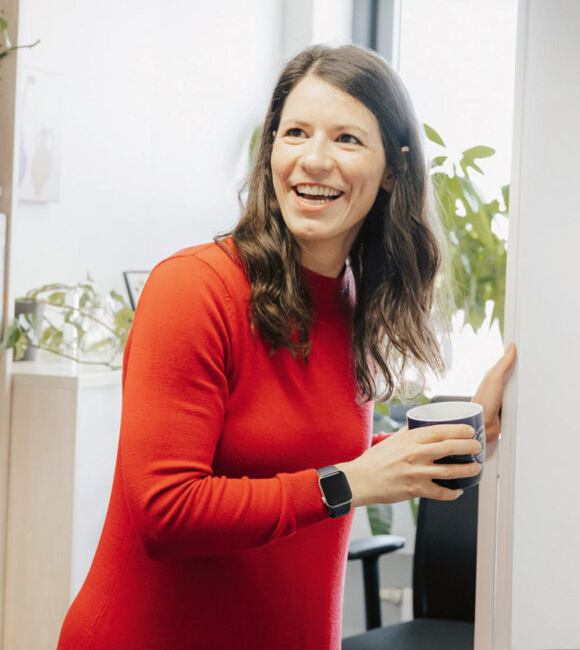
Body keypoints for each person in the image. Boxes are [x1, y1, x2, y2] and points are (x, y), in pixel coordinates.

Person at [57, 44, 516, 649]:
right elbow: (165, 510)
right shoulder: (195, 288)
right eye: (294, 132)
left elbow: (297, 452)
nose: (314, 160)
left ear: (394, 171)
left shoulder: (351, 298)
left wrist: (445, 438)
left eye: (347, 139)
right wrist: (352, 481)